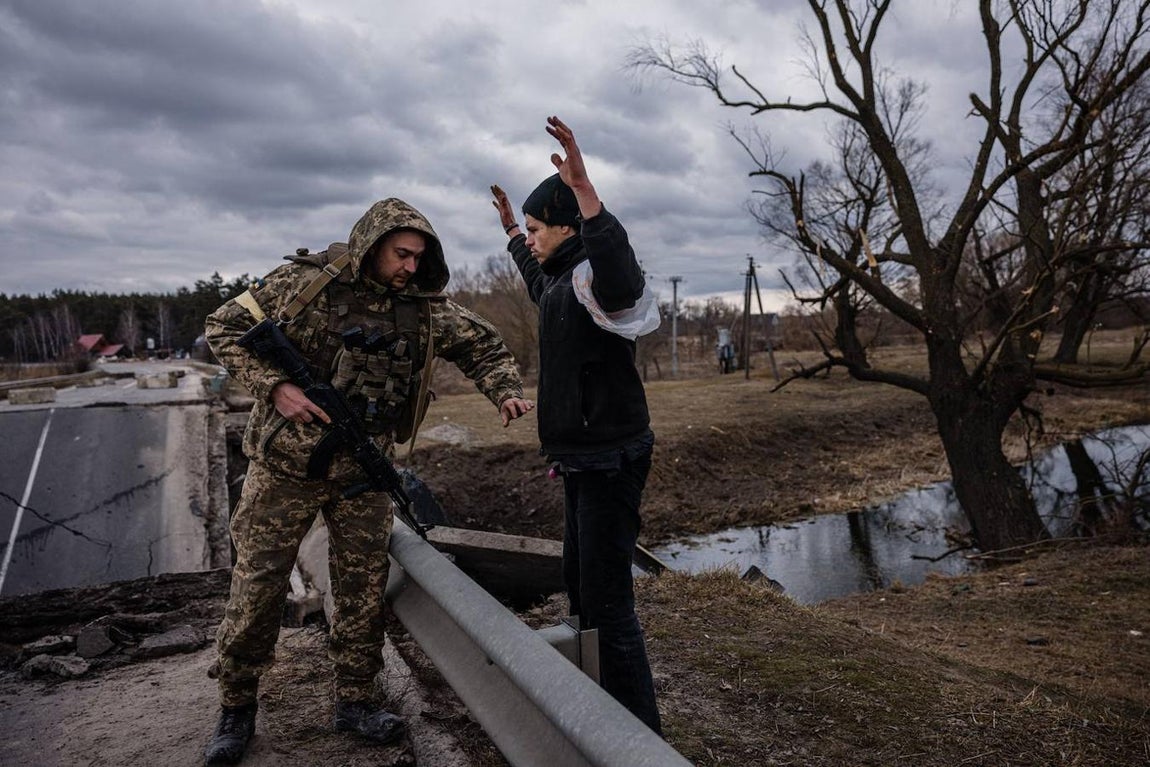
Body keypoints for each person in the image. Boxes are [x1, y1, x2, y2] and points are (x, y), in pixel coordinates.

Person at [202, 197, 534, 766]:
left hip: (364, 471)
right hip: (285, 469)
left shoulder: (425, 309)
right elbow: (224, 325)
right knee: (256, 589)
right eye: (401, 254)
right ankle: (237, 707)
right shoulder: (304, 286)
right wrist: (276, 387)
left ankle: (356, 699)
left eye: (417, 257)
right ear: (372, 245)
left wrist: (502, 387)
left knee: (361, 590)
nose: (409, 266)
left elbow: (482, 345)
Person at [490, 115, 663, 734]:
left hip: (611, 456)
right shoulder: (561, 280)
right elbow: (537, 277)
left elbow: (620, 270)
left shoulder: (597, 278)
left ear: (568, 226)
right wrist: (512, 230)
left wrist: (587, 192)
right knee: (579, 582)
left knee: (608, 601)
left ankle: (641, 740)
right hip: (580, 456)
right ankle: (601, 712)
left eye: (539, 228)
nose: (533, 238)